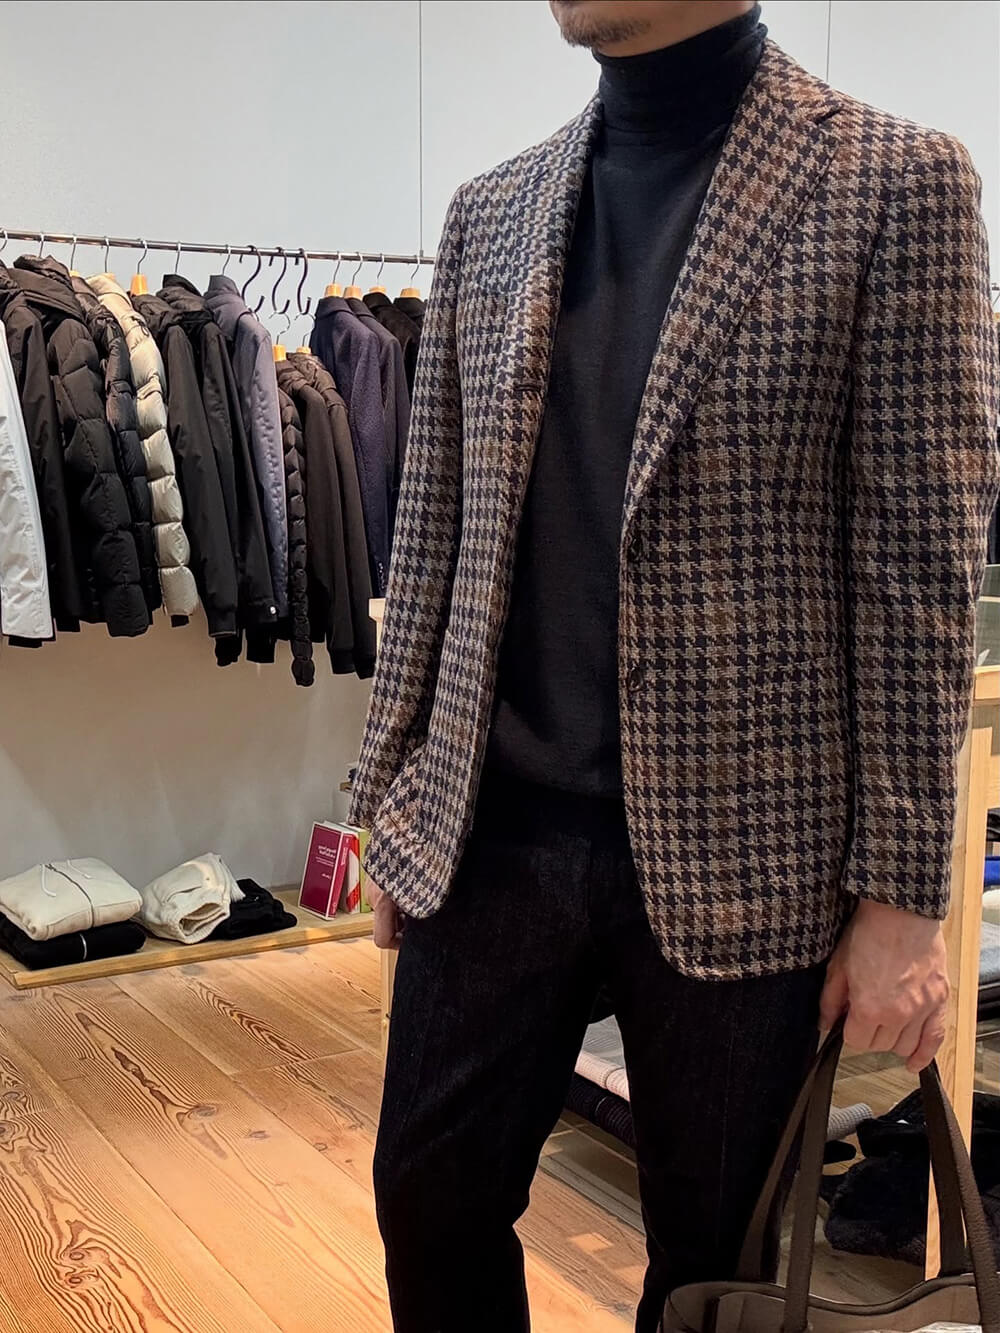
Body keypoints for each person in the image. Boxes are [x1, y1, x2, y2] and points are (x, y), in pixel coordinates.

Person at [349, 2, 1000, 1328]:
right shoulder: (493, 210)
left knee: (716, 1268)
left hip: (746, 849)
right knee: (428, 1198)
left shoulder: (895, 185)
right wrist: (394, 796)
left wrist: (901, 900)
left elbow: (919, 571)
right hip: (495, 827)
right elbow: (434, 530)